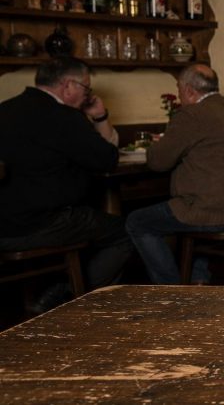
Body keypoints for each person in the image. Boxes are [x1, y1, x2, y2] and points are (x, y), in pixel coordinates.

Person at [0, 57, 133, 311]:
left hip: (4, 223)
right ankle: (72, 296)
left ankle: (57, 292)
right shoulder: (63, 116)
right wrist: (100, 116)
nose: (87, 95)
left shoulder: (5, 109)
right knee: (128, 230)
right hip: (40, 223)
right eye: (86, 88)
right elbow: (108, 159)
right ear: (68, 86)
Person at [125, 65, 224, 284]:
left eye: (178, 88)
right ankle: (198, 281)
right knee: (196, 210)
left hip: (207, 211)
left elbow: (157, 162)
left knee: (136, 222)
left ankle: (172, 289)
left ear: (188, 90)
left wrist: (160, 143)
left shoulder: (192, 114)